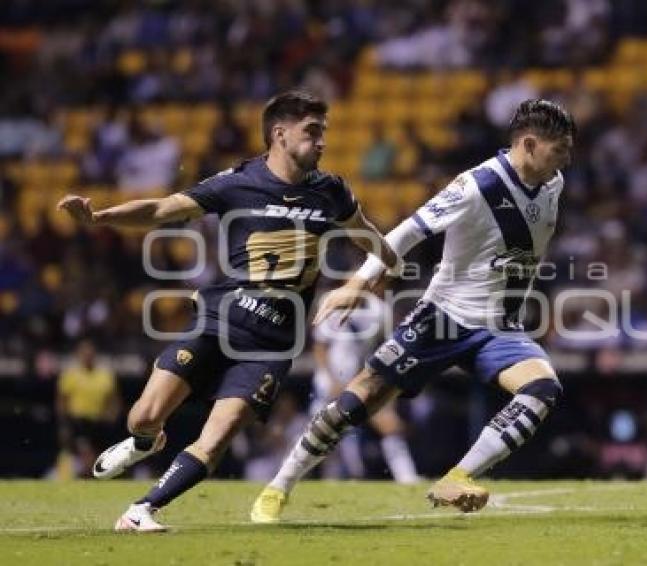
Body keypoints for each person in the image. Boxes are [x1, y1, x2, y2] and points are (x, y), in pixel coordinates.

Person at [57, 90, 399, 532]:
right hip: (219, 322)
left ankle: (142, 510)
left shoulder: (332, 192)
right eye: (311, 132)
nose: (321, 143)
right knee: (142, 416)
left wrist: (371, 277)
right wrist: (101, 218)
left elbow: (370, 239)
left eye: (323, 133)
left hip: (272, 345)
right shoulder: (237, 183)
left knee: (218, 437)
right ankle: (145, 441)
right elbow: (163, 209)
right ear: (279, 134)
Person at [251, 99, 575, 521]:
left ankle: (458, 475)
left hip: (499, 327)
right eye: (559, 150)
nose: (566, 159)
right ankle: (279, 487)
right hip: (442, 318)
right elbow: (407, 232)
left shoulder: (553, 184)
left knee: (542, 389)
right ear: (529, 144)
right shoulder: (477, 185)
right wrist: (357, 283)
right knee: (361, 398)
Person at [310, 293, 418, 484]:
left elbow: (387, 345)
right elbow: (320, 348)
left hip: (361, 379)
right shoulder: (334, 306)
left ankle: (407, 476)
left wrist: (380, 384)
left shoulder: (379, 310)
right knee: (323, 433)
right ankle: (331, 478)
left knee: (389, 425)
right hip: (328, 383)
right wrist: (332, 379)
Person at [55, 339, 122, 478]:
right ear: (78, 354)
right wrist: (64, 424)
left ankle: (91, 477)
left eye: (90, 353)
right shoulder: (71, 374)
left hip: (100, 422)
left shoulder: (105, 375)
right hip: (78, 422)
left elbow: (114, 400)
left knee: (99, 454)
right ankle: (82, 476)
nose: (87, 356)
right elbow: (62, 401)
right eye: (84, 353)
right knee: (86, 453)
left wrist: (112, 416)